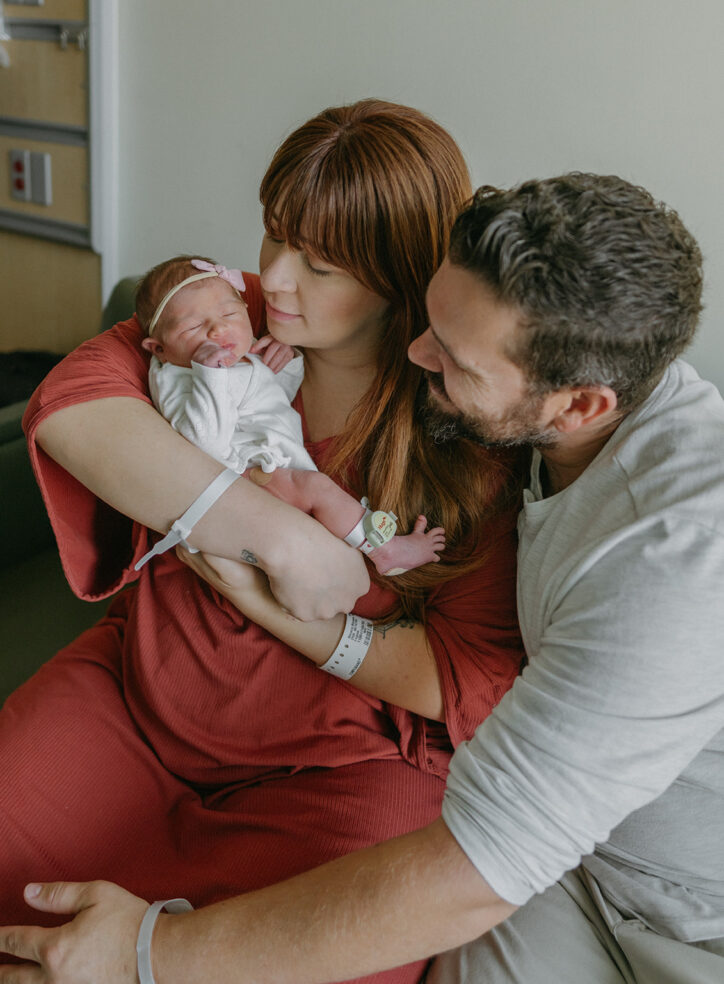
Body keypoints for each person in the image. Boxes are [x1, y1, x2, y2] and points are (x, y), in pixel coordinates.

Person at [2, 170, 721, 984]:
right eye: (429, 317)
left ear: (580, 406)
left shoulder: (675, 561)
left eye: (449, 355)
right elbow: (81, 391)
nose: (420, 351)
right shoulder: (285, 327)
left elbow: (479, 857)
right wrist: (271, 532)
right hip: (566, 863)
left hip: (680, 912)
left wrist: (144, 956)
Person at [0, 101, 526, 984]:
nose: (275, 279)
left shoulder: (467, 431)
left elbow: (464, 677)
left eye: (320, 265)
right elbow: (70, 402)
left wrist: (275, 606)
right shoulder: (221, 317)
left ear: (404, 276)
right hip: (143, 699)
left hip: (332, 773)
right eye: (274, 235)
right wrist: (279, 536)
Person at [135, 254, 445, 576]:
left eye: (229, 313)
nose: (218, 329)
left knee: (318, 511)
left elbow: (271, 404)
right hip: (245, 482)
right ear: (158, 349)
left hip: (267, 473)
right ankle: (385, 549)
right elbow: (205, 444)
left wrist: (286, 362)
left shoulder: (241, 359)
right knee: (318, 489)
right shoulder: (178, 378)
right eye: (193, 327)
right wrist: (211, 375)